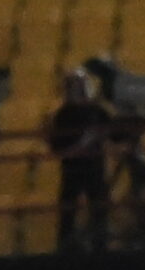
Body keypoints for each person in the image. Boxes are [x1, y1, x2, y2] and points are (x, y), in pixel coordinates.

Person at [45, 70, 111, 254]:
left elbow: (113, 132)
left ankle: (100, 247)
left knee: (99, 209)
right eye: (75, 85)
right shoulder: (62, 115)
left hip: (95, 168)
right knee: (68, 212)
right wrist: (80, 145)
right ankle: (65, 249)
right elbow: (57, 147)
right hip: (72, 170)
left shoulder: (97, 110)